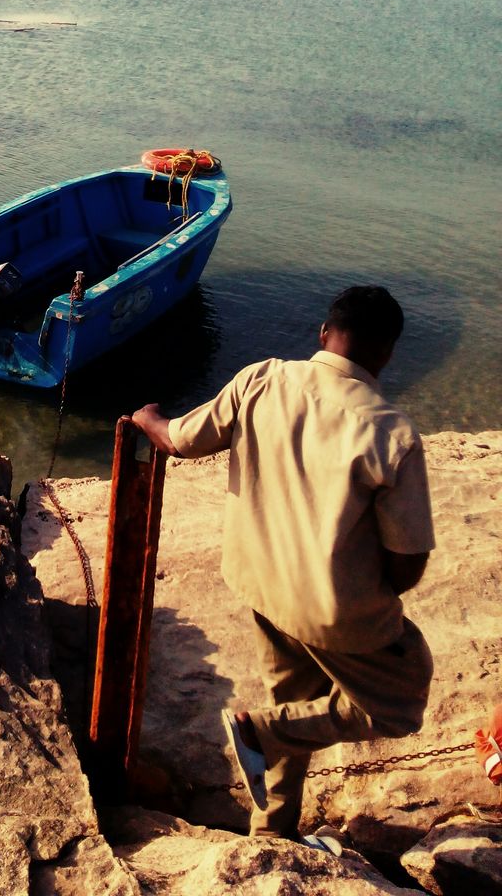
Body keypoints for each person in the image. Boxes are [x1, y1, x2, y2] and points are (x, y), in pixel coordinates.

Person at [131, 286, 435, 844]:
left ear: (324, 334)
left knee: (292, 699)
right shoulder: (391, 433)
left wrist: (148, 417)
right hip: (333, 610)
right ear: (388, 352)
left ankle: (272, 832)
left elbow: (178, 439)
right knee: (401, 701)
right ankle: (260, 732)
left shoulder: (262, 379)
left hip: (261, 587)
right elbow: (407, 562)